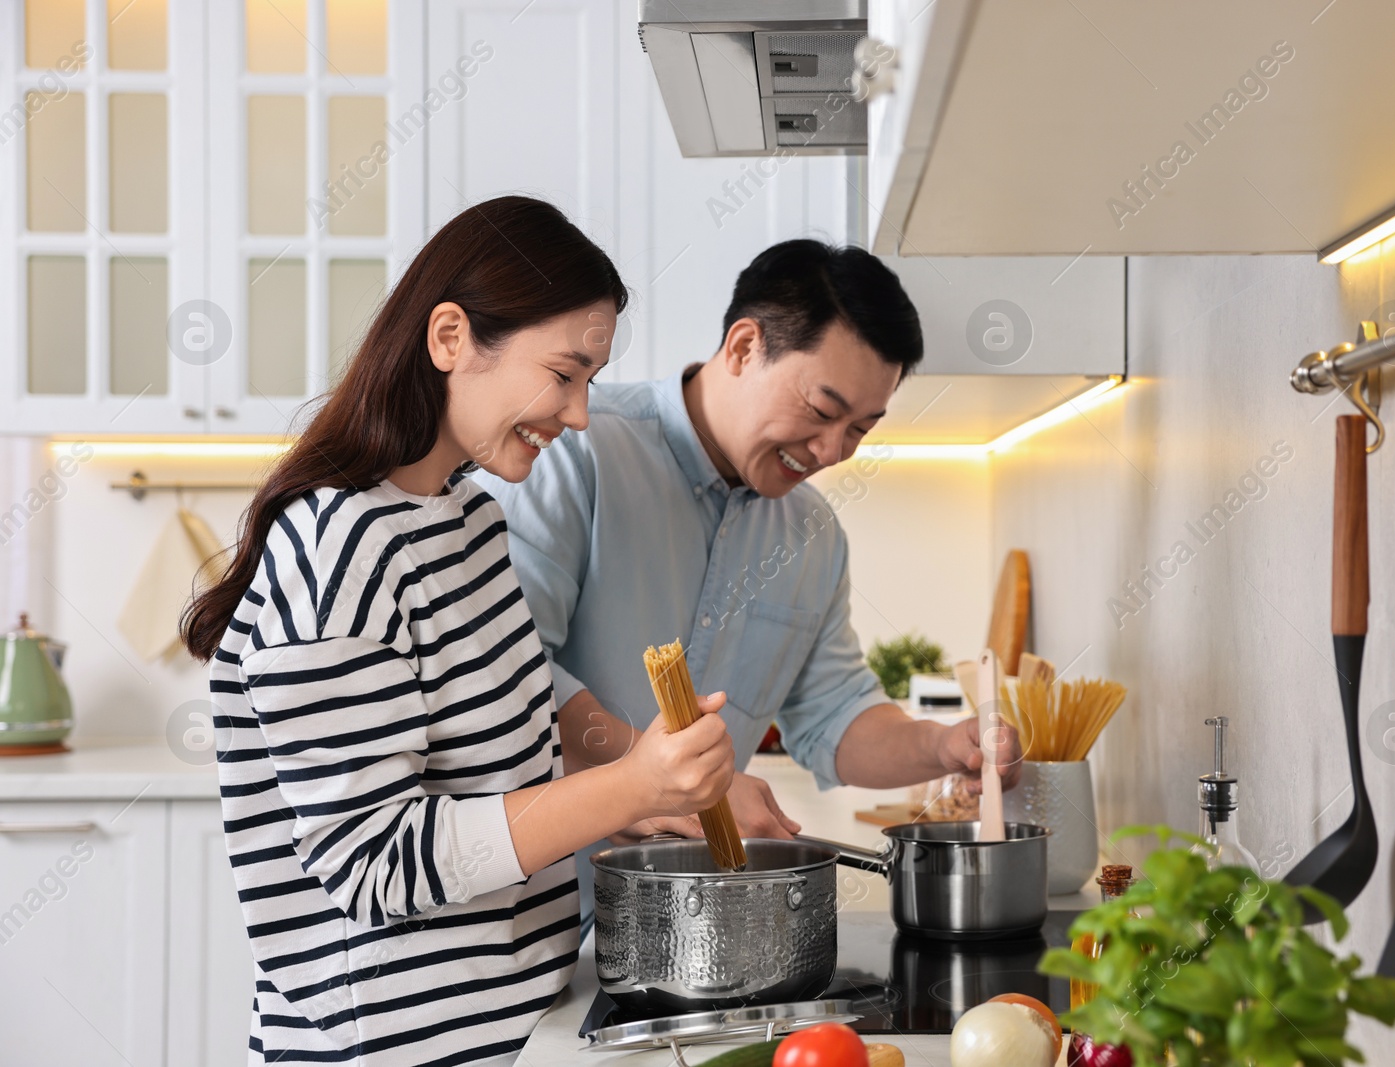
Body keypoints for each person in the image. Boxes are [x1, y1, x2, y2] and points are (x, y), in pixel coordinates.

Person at [180, 196, 736, 1066]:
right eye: (564, 373)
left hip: (515, 1024)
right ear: (450, 338)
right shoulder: (338, 546)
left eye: (590, 380)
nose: (580, 413)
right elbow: (375, 861)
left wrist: (640, 776)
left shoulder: (465, 513)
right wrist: (627, 789)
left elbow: (520, 712)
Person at [477, 240, 1022, 901]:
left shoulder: (813, 534)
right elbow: (507, 668)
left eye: (860, 430)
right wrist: (669, 779)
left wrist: (941, 745)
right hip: (539, 918)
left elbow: (837, 717)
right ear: (742, 347)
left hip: (692, 931)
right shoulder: (576, 452)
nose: (830, 451)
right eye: (823, 411)